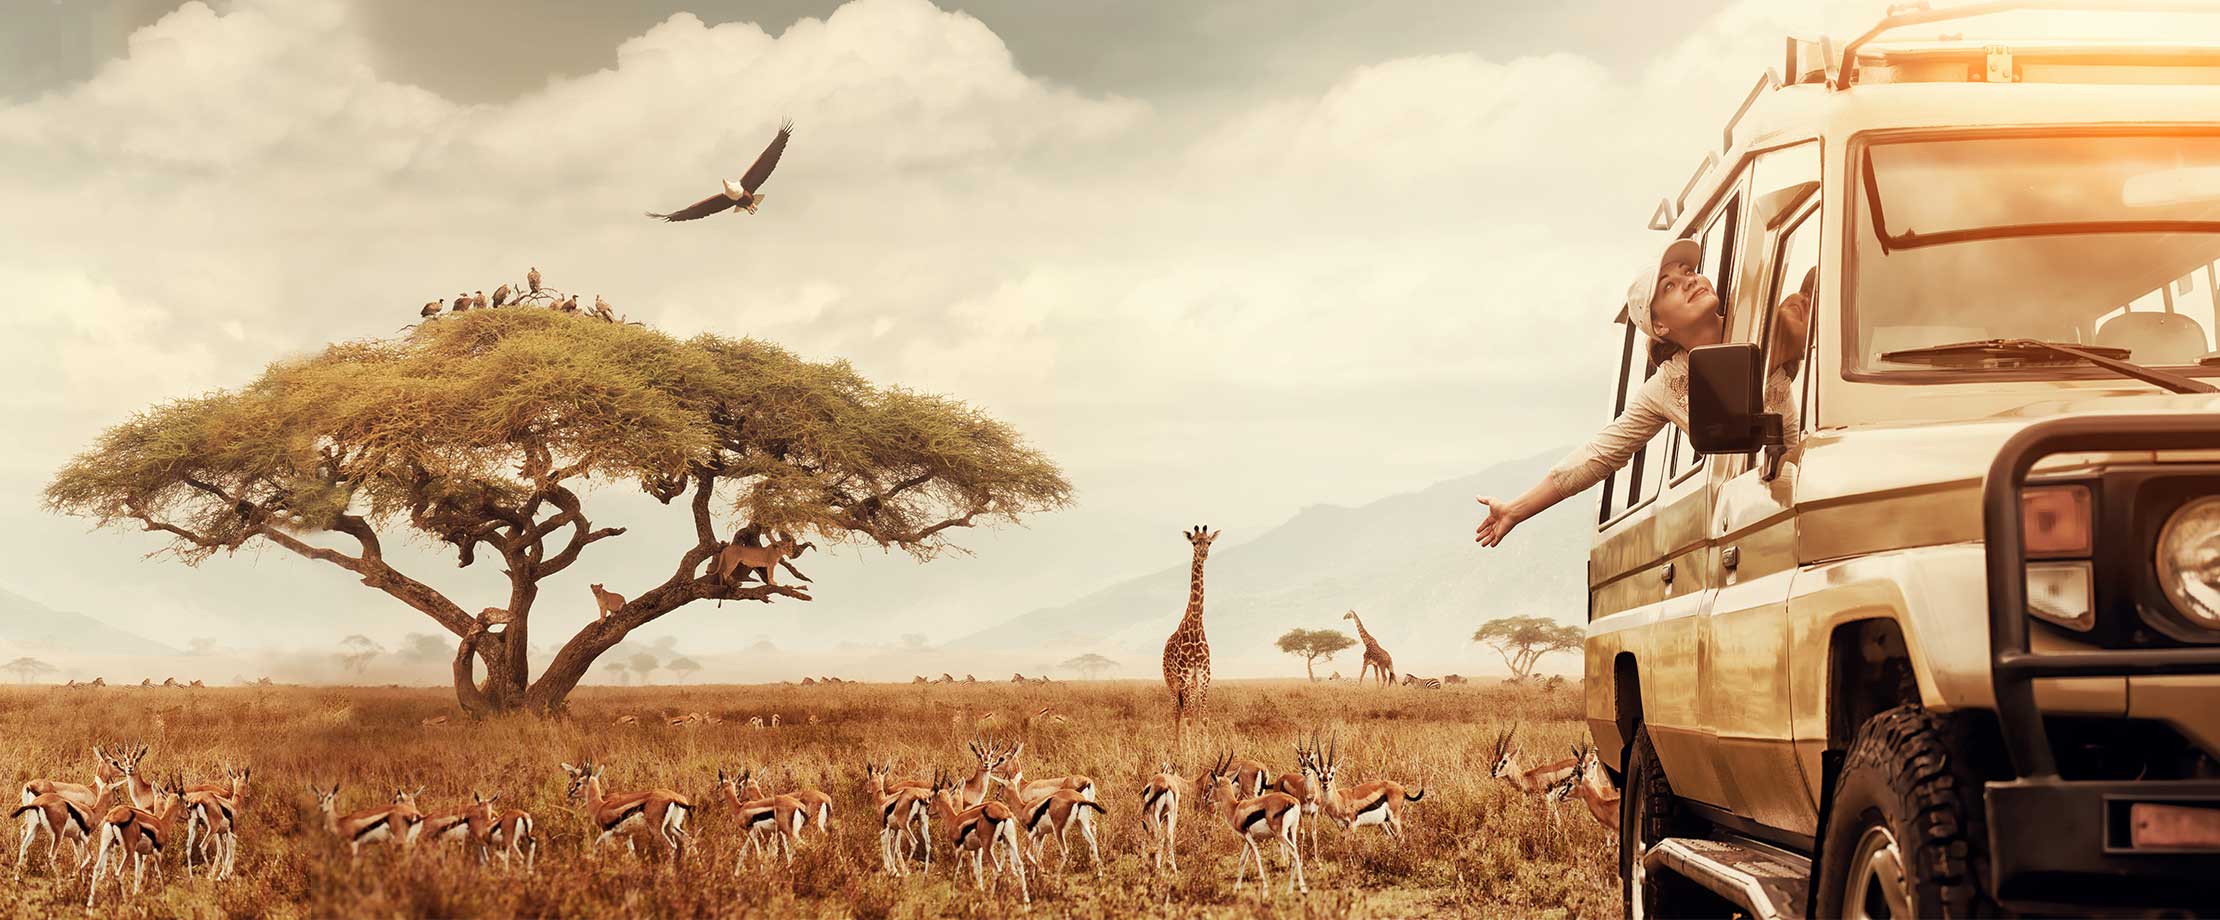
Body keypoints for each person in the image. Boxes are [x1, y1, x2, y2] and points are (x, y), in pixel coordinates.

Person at [1474, 239, 1806, 548]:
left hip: (1805, 483)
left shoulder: (1774, 322)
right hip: (1754, 515)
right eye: (1669, 286)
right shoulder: (1666, 386)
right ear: (1660, 327)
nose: (1689, 280)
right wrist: (1515, 510)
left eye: (1689, 271)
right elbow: (1599, 455)